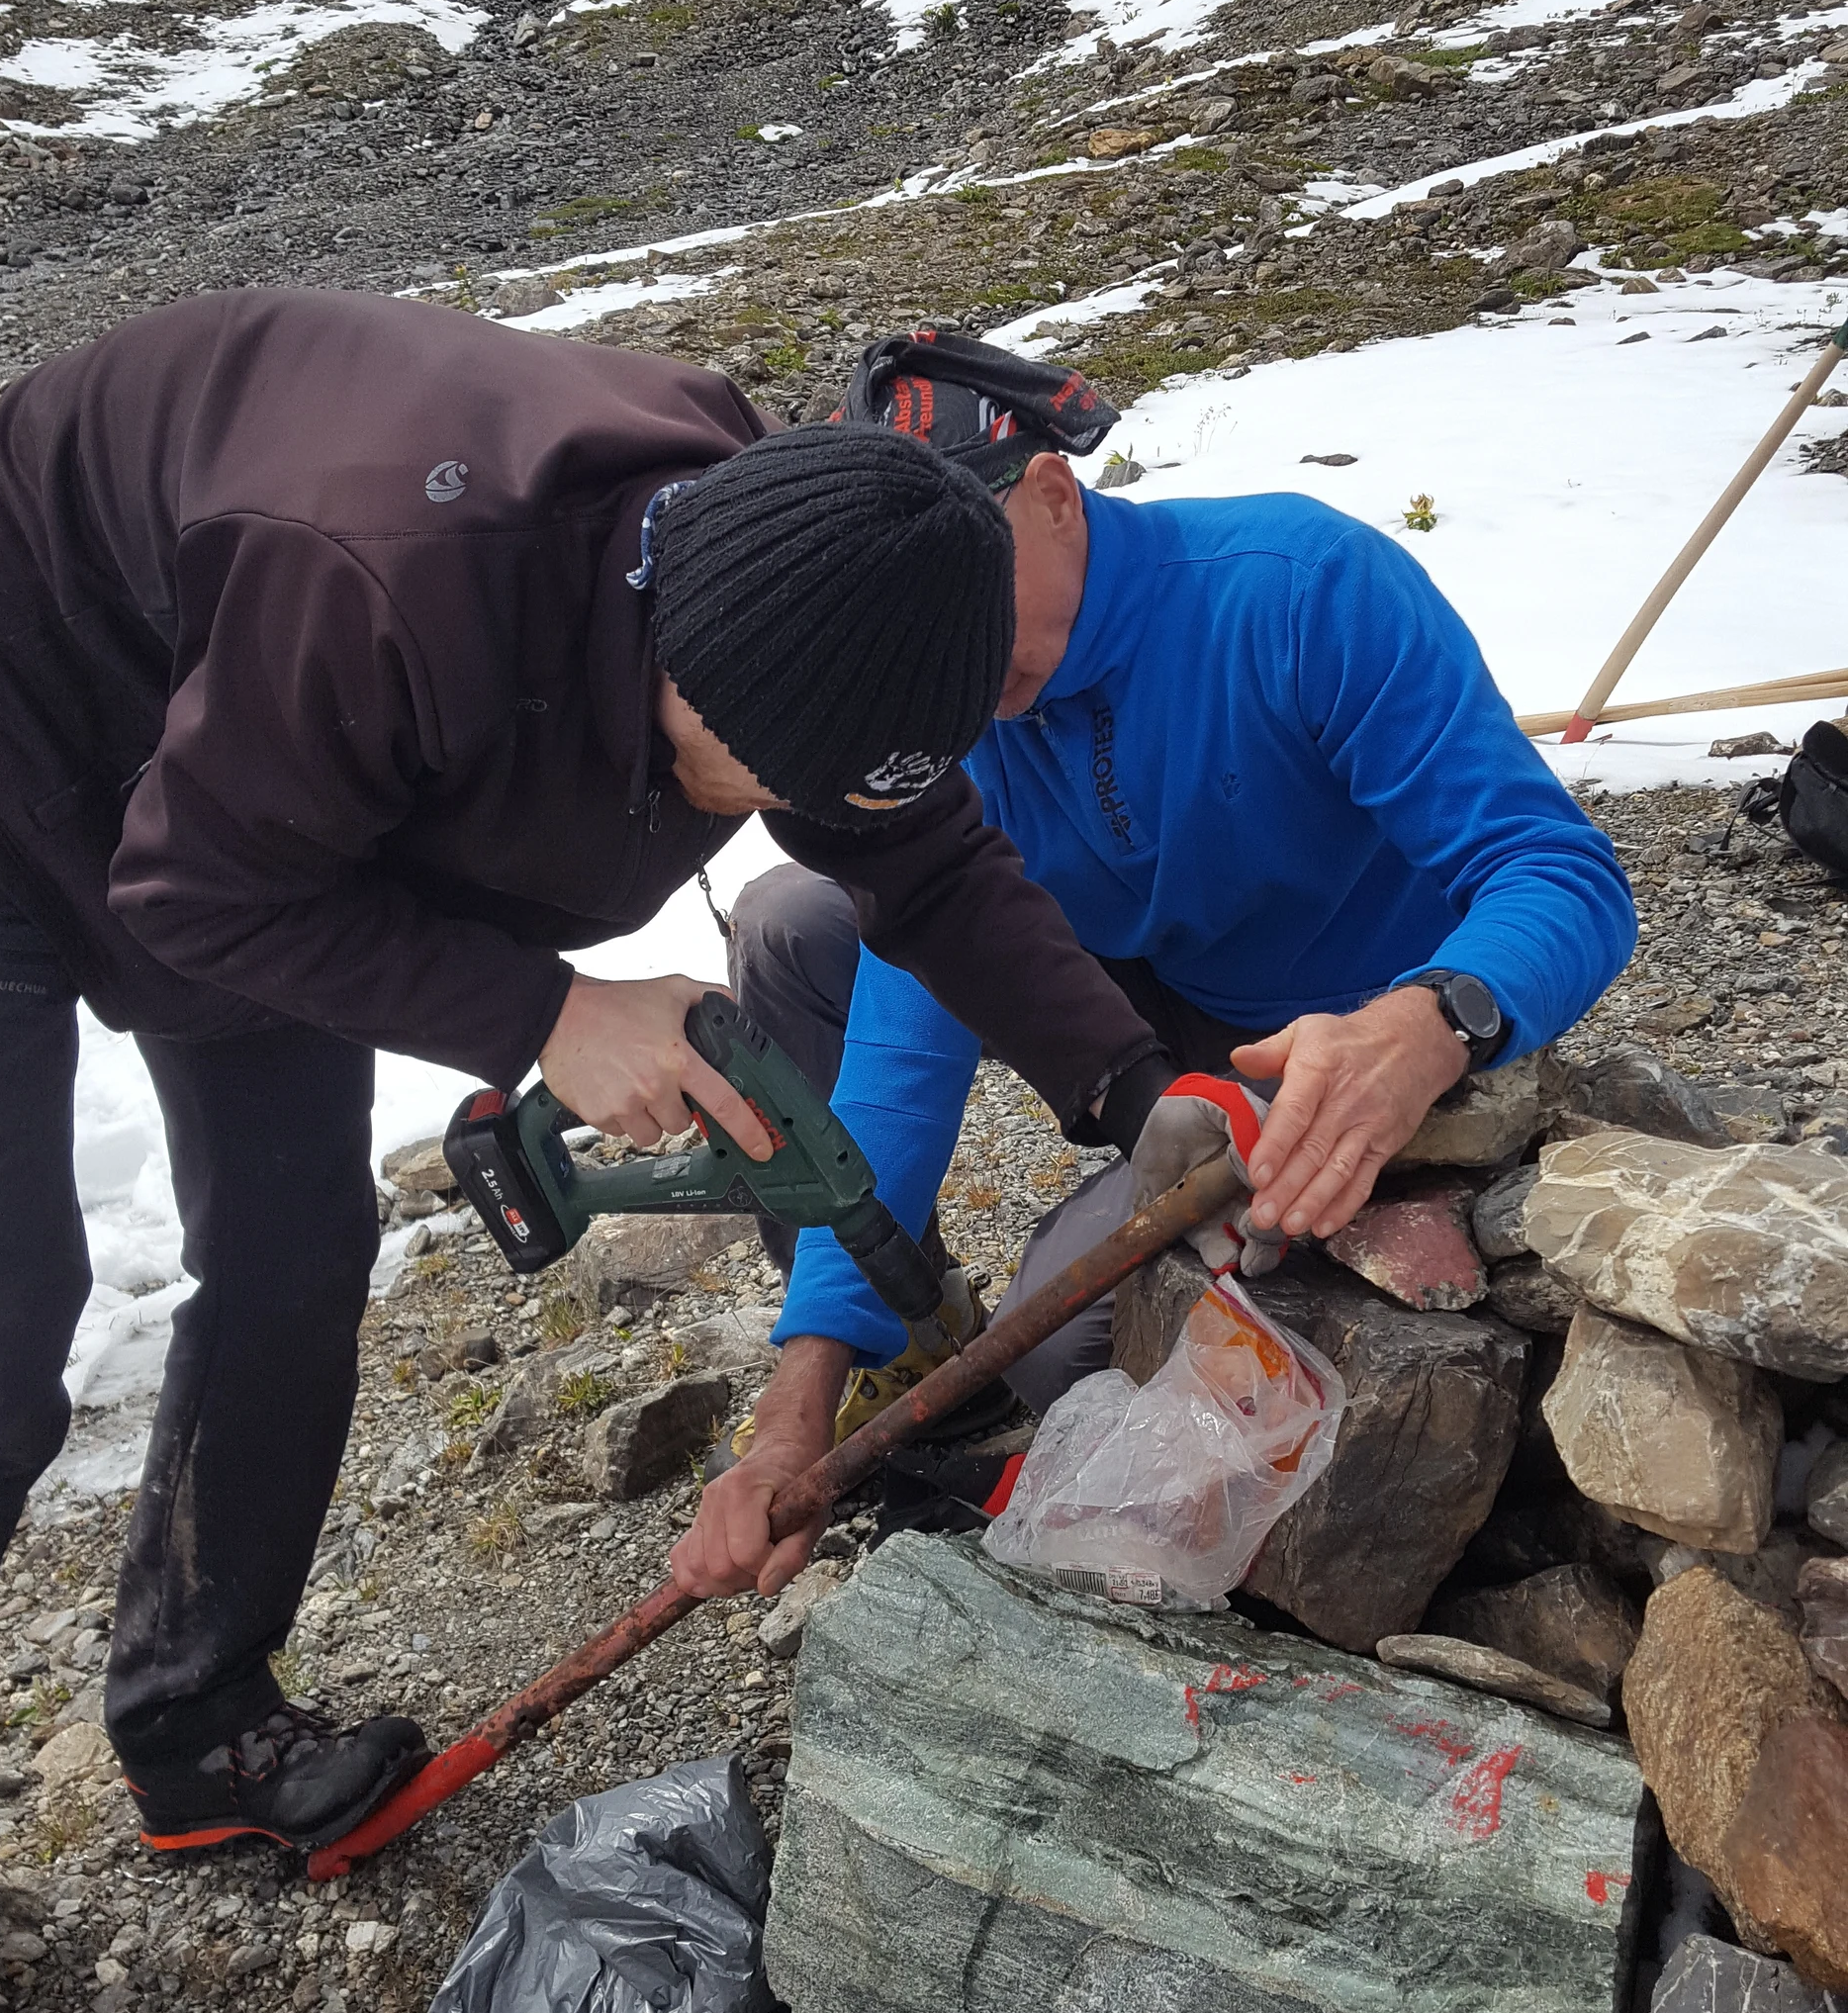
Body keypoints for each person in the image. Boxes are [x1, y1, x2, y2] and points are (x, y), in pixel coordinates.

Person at [0, 289, 1186, 1934]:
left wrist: (1138, 1096)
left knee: (296, 1244)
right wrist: (543, 1009)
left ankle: (196, 1726)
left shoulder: (819, 569)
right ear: (680, 667)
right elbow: (191, 894)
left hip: (259, 769)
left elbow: (929, 860)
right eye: (758, 793)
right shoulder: (387, 585)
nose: (777, 824)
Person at [672, 327, 1639, 1604]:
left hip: (1383, 1044)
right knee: (794, 924)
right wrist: (800, 1406)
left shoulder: (1295, 595)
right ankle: (896, 1331)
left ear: (1057, 495)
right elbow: (905, 1055)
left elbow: (1567, 877)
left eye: (967, 573)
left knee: (1061, 1342)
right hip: (1169, 1051)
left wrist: (1433, 1022)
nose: (938, 641)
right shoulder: (953, 725)